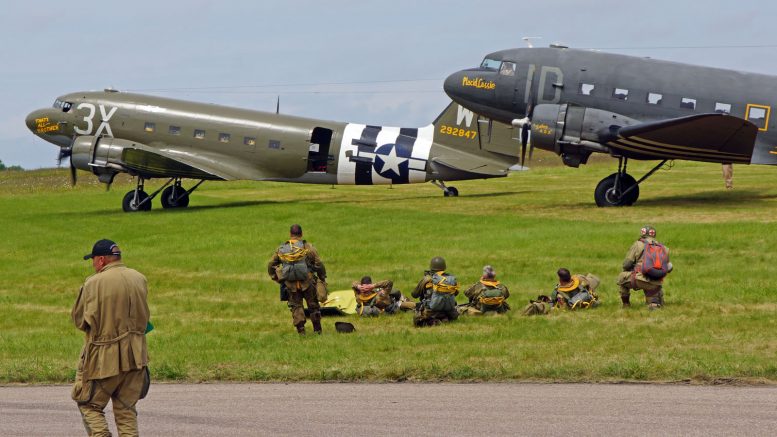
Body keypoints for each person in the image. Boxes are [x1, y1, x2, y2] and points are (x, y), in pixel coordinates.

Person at [71, 239, 150, 437]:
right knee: (126, 411)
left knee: (89, 405)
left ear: (100, 260)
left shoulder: (93, 283)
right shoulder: (139, 278)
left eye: (93, 260)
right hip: (136, 358)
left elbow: (80, 321)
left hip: (104, 359)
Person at [268, 224, 327, 334]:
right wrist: (322, 277)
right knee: (313, 306)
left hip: (291, 284)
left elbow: (271, 264)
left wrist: (274, 277)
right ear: (301, 234)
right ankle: (317, 330)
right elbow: (319, 263)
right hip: (308, 282)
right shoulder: (307, 247)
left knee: (296, 307)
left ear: (290, 234)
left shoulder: (282, 249)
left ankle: (301, 331)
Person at [616, 225, 673, 309]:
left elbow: (627, 264)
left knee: (621, 278)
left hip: (639, 279)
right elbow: (669, 268)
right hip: (656, 284)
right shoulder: (664, 248)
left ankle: (626, 305)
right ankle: (654, 303)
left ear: (642, 234)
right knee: (654, 294)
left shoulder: (638, 244)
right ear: (654, 235)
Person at [411, 256, 459, 326]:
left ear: (431, 267)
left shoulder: (427, 278)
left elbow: (414, 294)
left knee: (417, 320)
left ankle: (434, 322)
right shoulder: (450, 279)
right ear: (444, 267)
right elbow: (456, 293)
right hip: (449, 311)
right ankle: (444, 318)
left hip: (432, 311)